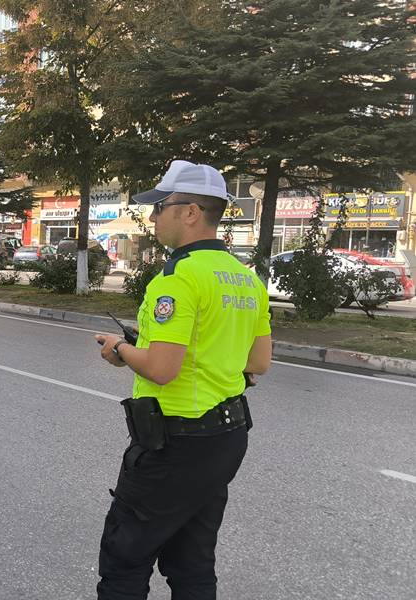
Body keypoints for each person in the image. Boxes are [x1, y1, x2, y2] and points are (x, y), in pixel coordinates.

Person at [93, 160, 273, 599]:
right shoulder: (246, 279)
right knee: (192, 562)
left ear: (190, 212)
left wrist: (120, 350)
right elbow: (259, 362)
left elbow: (161, 369)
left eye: (161, 207)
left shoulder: (178, 277)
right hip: (225, 437)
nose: (153, 217)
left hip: (175, 441)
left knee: (125, 560)